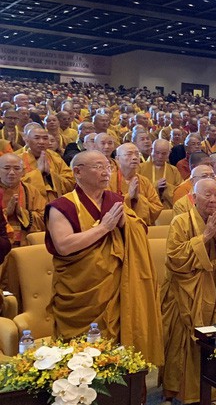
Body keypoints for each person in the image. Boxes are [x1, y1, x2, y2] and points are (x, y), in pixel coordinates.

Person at [44, 150, 163, 364]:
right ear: (78, 172)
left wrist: (124, 224)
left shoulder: (115, 200)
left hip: (115, 290)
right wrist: (103, 228)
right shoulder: (62, 207)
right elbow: (63, 246)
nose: (106, 172)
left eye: (108, 166)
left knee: (117, 351)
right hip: (80, 291)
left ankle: (121, 395)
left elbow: (138, 230)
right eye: (98, 166)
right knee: (78, 357)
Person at [154, 178, 216, 405]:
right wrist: (204, 237)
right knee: (179, 341)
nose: (213, 200)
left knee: (213, 338)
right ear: (194, 197)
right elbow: (175, 258)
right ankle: (169, 397)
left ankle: (211, 392)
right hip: (183, 290)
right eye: (207, 195)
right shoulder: (180, 221)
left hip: (214, 286)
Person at [108, 142, 163, 226]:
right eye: (129, 154)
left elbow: (156, 207)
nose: (134, 157)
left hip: (141, 228)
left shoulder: (145, 181)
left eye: (137, 154)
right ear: (117, 159)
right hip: (116, 230)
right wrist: (129, 196)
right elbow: (106, 208)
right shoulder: (108, 181)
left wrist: (138, 198)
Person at [0, 152, 46, 248]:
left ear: (22, 172)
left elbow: (44, 217)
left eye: (16, 168)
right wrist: (6, 213)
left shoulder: (31, 190)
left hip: (25, 241)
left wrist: (22, 213)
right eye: (6, 168)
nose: (12, 172)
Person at [19, 126, 74, 202]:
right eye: (37, 138)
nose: (41, 142)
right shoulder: (18, 160)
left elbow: (71, 182)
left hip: (55, 204)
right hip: (31, 205)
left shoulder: (55, 157)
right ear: (27, 140)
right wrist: (38, 172)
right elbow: (14, 185)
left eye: (45, 138)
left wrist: (50, 175)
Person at [139, 139, 181, 208]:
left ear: (169, 153)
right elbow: (137, 192)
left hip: (168, 211)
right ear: (151, 150)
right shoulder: (141, 168)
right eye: (157, 153)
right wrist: (155, 186)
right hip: (147, 210)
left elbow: (180, 193)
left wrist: (168, 188)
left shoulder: (173, 170)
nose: (160, 156)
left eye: (164, 153)